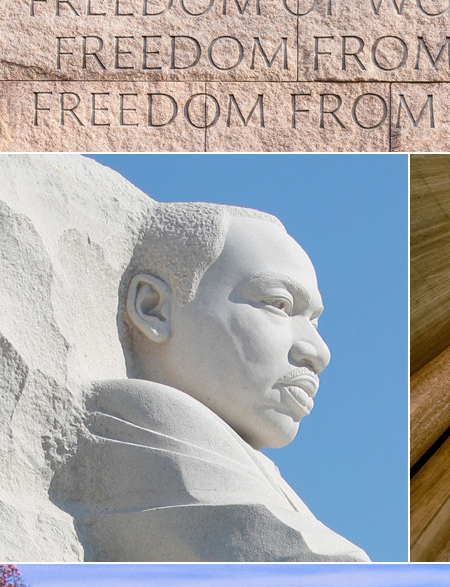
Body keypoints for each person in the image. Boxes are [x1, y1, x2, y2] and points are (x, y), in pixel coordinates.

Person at [55, 202, 369, 562]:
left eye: (313, 322)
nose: (318, 352)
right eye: (279, 305)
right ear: (153, 307)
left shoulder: (251, 470)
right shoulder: (129, 426)